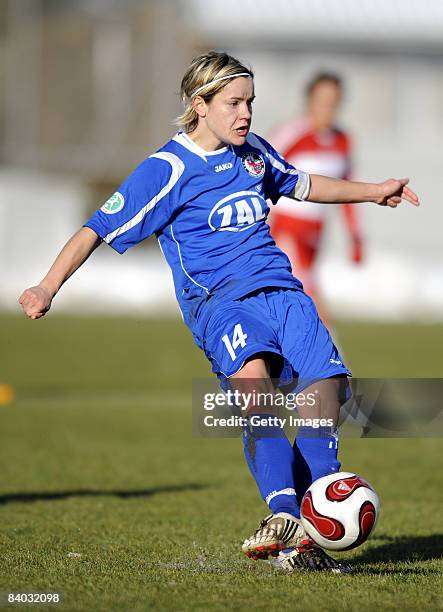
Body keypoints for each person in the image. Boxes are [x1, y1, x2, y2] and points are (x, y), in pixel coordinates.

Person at [19, 51, 419, 573]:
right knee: (256, 393)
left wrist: (371, 192)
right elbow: (96, 226)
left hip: (285, 293)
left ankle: (312, 528)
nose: (246, 113)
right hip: (221, 305)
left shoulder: (253, 153)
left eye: (250, 101)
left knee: (326, 391)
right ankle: (282, 513)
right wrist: (48, 286)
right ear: (199, 104)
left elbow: (301, 184)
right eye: (234, 103)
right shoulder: (167, 169)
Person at [268, 72, 362, 322]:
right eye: (322, 100)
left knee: (293, 297)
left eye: (333, 101)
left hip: (315, 233)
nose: (327, 108)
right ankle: (331, 355)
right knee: (307, 294)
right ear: (310, 100)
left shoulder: (342, 140)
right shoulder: (292, 133)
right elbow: (259, 169)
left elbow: (347, 189)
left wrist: (355, 236)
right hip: (284, 228)